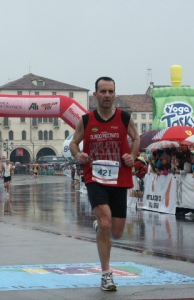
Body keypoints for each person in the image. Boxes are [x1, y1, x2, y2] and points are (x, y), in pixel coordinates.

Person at [70, 76, 139, 292]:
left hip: (120, 178)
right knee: (106, 223)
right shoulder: (87, 120)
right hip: (95, 178)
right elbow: (73, 142)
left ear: (114, 94)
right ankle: (106, 274)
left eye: (111, 91)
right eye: (103, 92)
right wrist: (78, 154)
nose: (107, 95)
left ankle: (100, 227)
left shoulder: (124, 117)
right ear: (96, 95)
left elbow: (137, 138)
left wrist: (133, 156)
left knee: (116, 232)